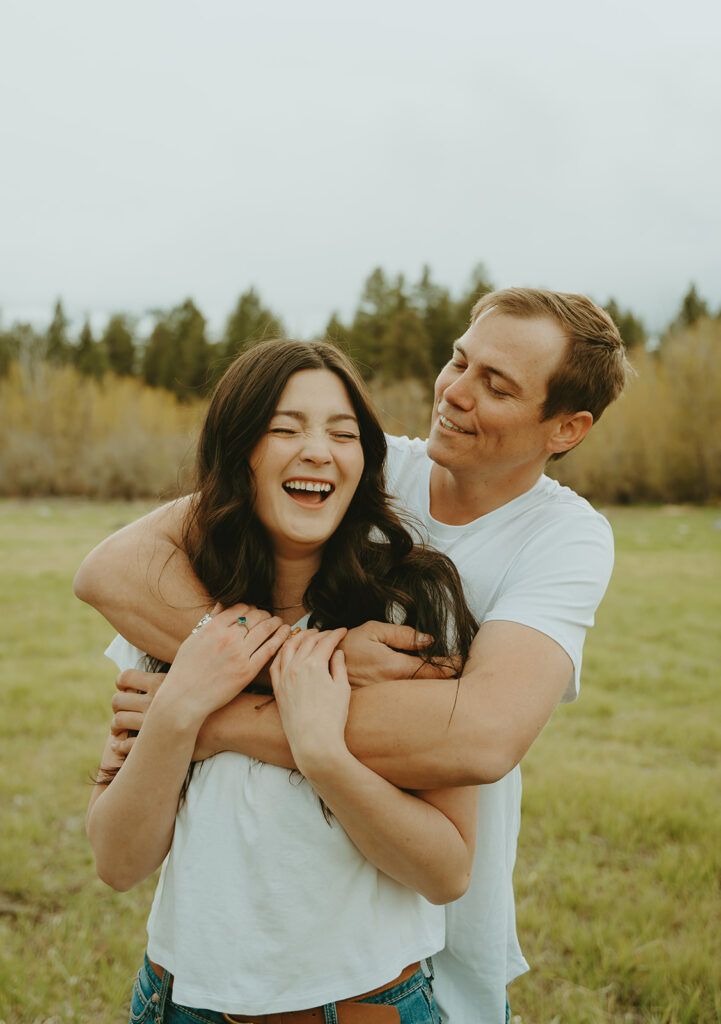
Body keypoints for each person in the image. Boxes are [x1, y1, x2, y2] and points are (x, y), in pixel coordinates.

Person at [75, 287, 631, 1024]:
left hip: (391, 945)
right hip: (190, 986)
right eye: (458, 361)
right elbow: (109, 570)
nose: (454, 394)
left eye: (495, 385)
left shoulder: (554, 541)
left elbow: (478, 735)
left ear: (566, 427)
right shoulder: (361, 467)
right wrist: (291, 665)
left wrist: (211, 719)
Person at [84, 339, 482, 1024]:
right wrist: (181, 710)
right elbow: (118, 862)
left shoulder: (412, 608)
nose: (318, 451)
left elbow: (445, 872)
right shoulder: (174, 613)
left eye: (343, 433)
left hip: (357, 1008)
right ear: (239, 451)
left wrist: (321, 752)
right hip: (177, 1002)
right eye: (284, 428)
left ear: (364, 462)